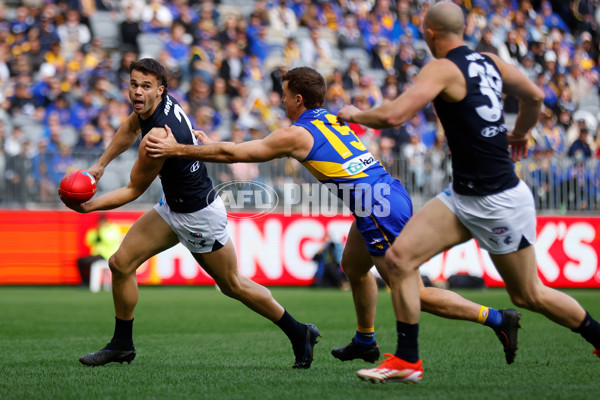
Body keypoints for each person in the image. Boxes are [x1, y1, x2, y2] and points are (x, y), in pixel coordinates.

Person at [145, 66, 522, 368]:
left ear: (297, 99)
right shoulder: (327, 118)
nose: (280, 99)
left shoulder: (297, 134)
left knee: (412, 292)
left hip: (376, 207)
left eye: (283, 93)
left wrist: (180, 148)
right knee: (353, 267)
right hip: (385, 193)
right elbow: (236, 149)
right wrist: (208, 145)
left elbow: (238, 155)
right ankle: (365, 341)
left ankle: (497, 319)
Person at [335, 1, 600, 384]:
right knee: (398, 262)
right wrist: (522, 133)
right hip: (463, 196)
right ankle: (407, 361)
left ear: (429, 33)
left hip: (498, 201)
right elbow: (535, 96)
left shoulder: (442, 67)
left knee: (528, 295)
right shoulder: (489, 61)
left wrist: (354, 114)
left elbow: (394, 116)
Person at [59, 58, 319, 369]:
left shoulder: (157, 136)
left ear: (160, 90)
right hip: (174, 207)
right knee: (120, 263)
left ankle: (299, 332)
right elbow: (130, 127)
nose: (137, 92)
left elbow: (132, 190)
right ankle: (122, 344)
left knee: (232, 284)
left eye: (145, 87)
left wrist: (87, 207)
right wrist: (99, 166)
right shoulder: (156, 106)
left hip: (198, 216)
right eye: (133, 85)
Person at [77, 215, 121, 286]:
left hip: (107, 255)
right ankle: (85, 281)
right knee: (81, 261)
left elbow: (109, 241)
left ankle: (89, 282)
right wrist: (97, 231)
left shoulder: (112, 229)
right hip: (97, 255)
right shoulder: (96, 230)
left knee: (88, 262)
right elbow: (88, 241)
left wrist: (101, 230)